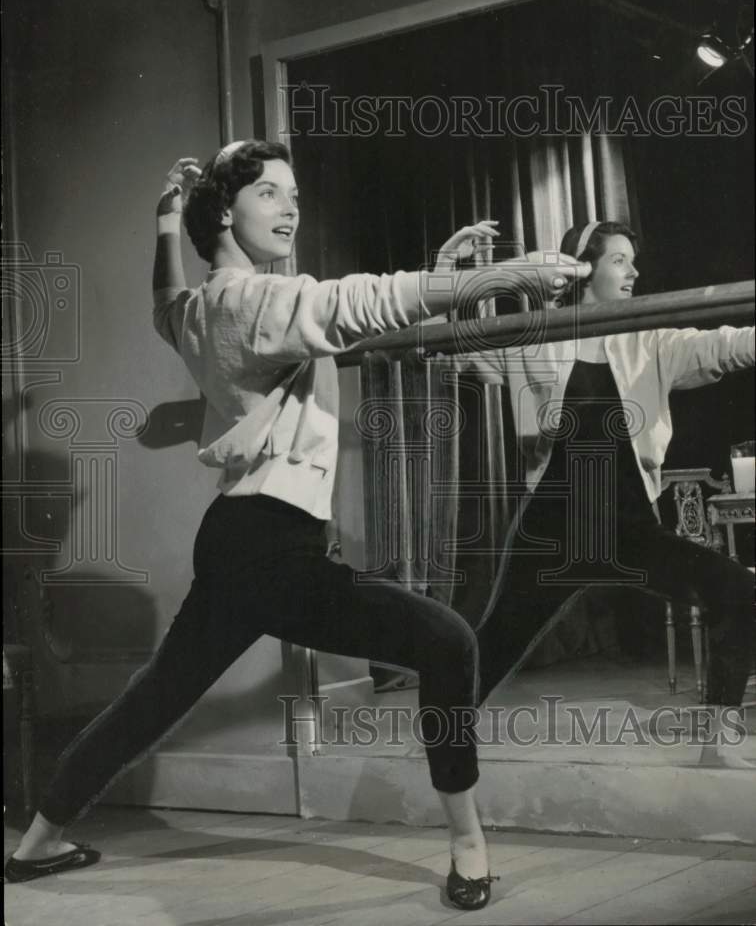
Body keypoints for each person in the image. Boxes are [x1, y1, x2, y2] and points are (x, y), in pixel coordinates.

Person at [5, 139, 588, 910]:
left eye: (294, 195)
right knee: (448, 641)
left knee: (155, 698)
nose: (291, 208)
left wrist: (162, 225)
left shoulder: (204, 308)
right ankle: (469, 847)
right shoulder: (255, 302)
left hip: (236, 540)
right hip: (277, 547)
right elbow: (359, 303)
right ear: (226, 211)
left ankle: (37, 843)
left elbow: (162, 305)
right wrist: (502, 277)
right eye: (271, 194)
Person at [447, 221, 754, 744]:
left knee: (739, 592)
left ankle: (716, 738)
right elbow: (457, 343)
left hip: (631, 530)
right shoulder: (535, 337)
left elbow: (724, 345)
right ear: (584, 268)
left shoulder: (652, 339)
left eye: (633, 260)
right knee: (493, 644)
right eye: (619, 260)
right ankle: (442, 738)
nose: (634, 271)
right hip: (553, 531)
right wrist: (448, 271)